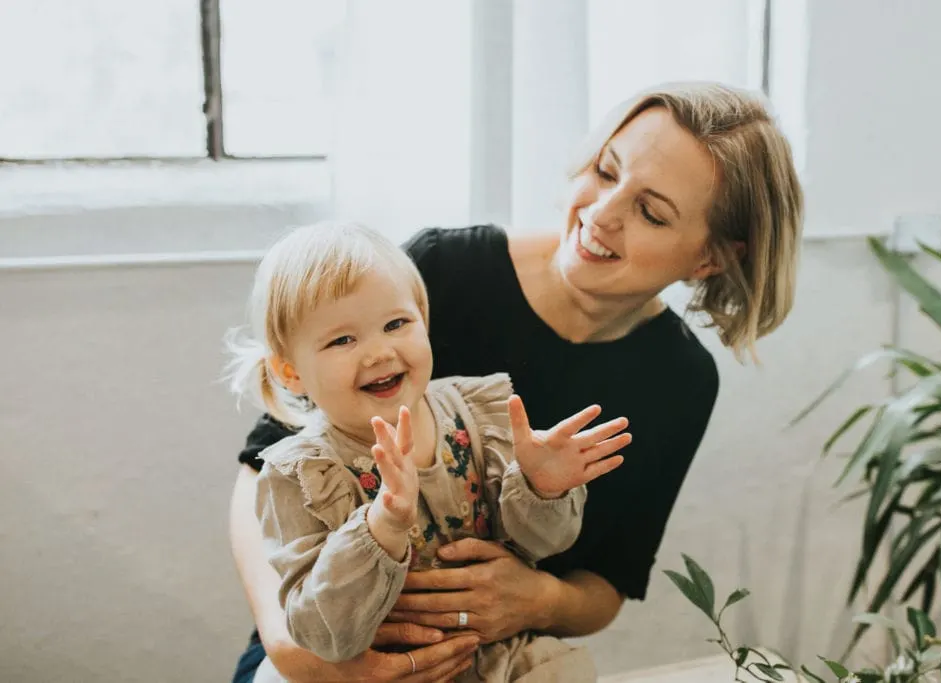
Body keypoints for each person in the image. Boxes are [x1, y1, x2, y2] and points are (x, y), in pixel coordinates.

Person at [228, 80, 803, 683]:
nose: (601, 214)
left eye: (651, 213)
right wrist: (299, 652)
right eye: (606, 173)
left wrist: (533, 599)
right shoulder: (446, 274)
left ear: (710, 259)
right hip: (324, 645)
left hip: (488, 657)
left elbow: (604, 588)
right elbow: (265, 465)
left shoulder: (678, 382)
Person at [226, 222, 631, 682]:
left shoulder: (479, 413)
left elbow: (542, 544)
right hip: (366, 669)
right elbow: (325, 635)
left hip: (483, 653)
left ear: (424, 318)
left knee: (563, 672)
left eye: (396, 324)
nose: (379, 351)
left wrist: (541, 487)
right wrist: (381, 527)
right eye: (343, 339)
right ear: (290, 371)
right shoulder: (299, 475)